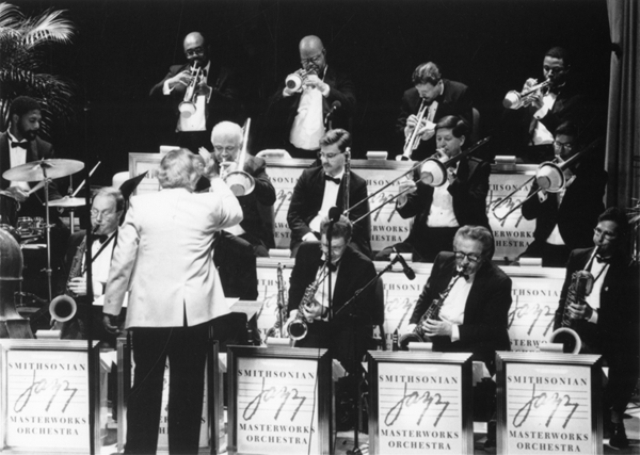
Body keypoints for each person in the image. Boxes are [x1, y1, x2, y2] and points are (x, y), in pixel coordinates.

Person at [102, 148, 242, 455]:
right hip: (192, 314)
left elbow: (122, 260)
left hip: (149, 313)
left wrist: (112, 305)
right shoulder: (209, 204)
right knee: (188, 394)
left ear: (161, 175)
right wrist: (216, 177)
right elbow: (237, 211)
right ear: (194, 176)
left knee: (144, 391)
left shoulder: (139, 205)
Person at [554, 207, 639, 450]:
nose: (600, 239)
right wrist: (558, 330)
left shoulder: (631, 267)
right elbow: (564, 298)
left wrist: (593, 315)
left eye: (608, 235)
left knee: (629, 356)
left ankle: (615, 416)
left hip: (612, 334)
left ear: (620, 237)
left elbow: (630, 319)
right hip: (578, 331)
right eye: (598, 231)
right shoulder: (578, 256)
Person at [286, 215, 382, 429]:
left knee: (343, 359)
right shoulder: (306, 251)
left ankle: (339, 417)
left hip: (346, 327)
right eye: (325, 246)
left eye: (336, 248)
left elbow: (365, 313)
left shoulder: (362, 265)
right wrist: (295, 313)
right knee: (305, 361)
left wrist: (325, 312)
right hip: (312, 324)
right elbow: (296, 284)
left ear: (348, 242)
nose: (329, 253)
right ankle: (305, 417)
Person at [376, 116, 490, 262]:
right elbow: (408, 211)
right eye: (438, 139)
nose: (442, 144)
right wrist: (402, 197)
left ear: (461, 140)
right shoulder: (424, 166)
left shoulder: (478, 168)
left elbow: (473, 206)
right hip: (424, 239)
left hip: (461, 239)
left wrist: (449, 173)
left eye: (447, 139)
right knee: (382, 257)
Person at [521, 121, 607, 267]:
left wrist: (571, 181)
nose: (560, 151)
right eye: (557, 144)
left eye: (567, 146)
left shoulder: (595, 175)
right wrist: (544, 189)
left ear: (579, 147)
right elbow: (528, 212)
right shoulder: (547, 171)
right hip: (545, 245)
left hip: (575, 248)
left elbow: (590, 211)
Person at [497, 46, 597, 163]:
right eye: (546, 68)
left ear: (567, 69)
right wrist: (521, 100)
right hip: (528, 154)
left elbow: (565, 132)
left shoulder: (575, 100)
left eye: (556, 70)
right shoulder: (536, 93)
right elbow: (504, 124)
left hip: (555, 155)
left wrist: (542, 109)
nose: (549, 74)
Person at [262, 35, 356, 157]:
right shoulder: (295, 78)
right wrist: (287, 91)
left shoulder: (340, 79)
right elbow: (269, 112)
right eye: (305, 61)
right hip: (292, 152)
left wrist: (323, 86)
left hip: (325, 154)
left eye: (314, 59)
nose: (310, 65)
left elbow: (351, 106)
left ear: (323, 53)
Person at [149, 32, 243, 152]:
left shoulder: (225, 74)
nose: (195, 55)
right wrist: (171, 82)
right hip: (180, 139)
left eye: (199, 50)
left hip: (210, 140)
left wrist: (209, 92)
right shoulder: (176, 71)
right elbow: (152, 95)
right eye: (190, 52)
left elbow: (235, 107)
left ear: (208, 49)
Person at [287, 129, 371, 257]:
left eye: (330, 156)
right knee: (304, 257)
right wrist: (308, 236)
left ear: (346, 155)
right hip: (311, 236)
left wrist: (336, 242)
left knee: (352, 259)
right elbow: (293, 215)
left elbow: (359, 226)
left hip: (342, 239)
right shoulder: (308, 176)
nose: (324, 160)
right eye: (322, 154)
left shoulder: (358, 184)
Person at [58, 187, 124, 343]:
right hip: (81, 314)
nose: (98, 219)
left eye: (106, 213)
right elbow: (64, 276)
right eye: (94, 212)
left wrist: (97, 288)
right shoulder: (77, 238)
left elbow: (133, 284)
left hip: (114, 316)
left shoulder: (128, 242)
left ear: (119, 215)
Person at [208, 121, 276, 256]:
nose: (223, 154)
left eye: (229, 148)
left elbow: (269, 196)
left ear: (239, 145)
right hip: (211, 235)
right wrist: (215, 182)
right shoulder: (206, 162)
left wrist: (246, 178)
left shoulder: (254, 164)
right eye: (218, 148)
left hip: (245, 235)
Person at [396, 62, 473, 161]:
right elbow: (399, 127)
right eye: (418, 90)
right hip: (419, 156)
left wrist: (435, 128)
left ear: (440, 83)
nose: (420, 95)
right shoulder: (410, 95)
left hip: (450, 155)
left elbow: (466, 126)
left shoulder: (459, 92)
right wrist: (407, 130)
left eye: (425, 92)